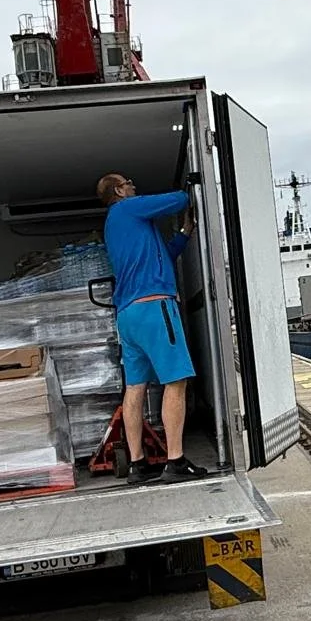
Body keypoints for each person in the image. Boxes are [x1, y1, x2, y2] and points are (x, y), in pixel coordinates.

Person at [97, 172, 210, 484]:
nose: (135, 185)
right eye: (130, 182)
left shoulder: (117, 226)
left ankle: (137, 464)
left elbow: (165, 256)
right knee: (176, 381)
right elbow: (176, 200)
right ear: (119, 190)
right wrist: (190, 187)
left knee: (135, 388)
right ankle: (174, 461)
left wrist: (185, 233)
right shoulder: (127, 208)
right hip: (154, 307)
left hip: (128, 315)